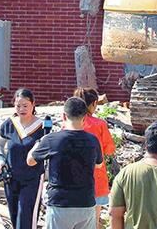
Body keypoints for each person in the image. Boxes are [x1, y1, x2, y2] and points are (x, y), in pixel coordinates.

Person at [29, 97, 102, 229]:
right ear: (85, 117)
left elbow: (31, 160)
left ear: (64, 116)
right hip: (85, 201)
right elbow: (99, 164)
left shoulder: (51, 139)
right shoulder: (93, 140)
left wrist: (39, 142)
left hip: (59, 203)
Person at [0, 89, 46, 229]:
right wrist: (0, 158)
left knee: (26, 217)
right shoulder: (9, 124)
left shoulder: (42, 126)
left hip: (32, 178)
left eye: (25, 105)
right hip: (11, 178)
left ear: (33, 105)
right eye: (18, 106)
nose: (21, 109)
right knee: (14, 215)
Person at [73, 87, 117, 223]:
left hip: (73, 177)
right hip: (95, 177)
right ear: (93, 104)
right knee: (94, 219)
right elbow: (110, 149)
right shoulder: (99, 124)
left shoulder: (69, 123)